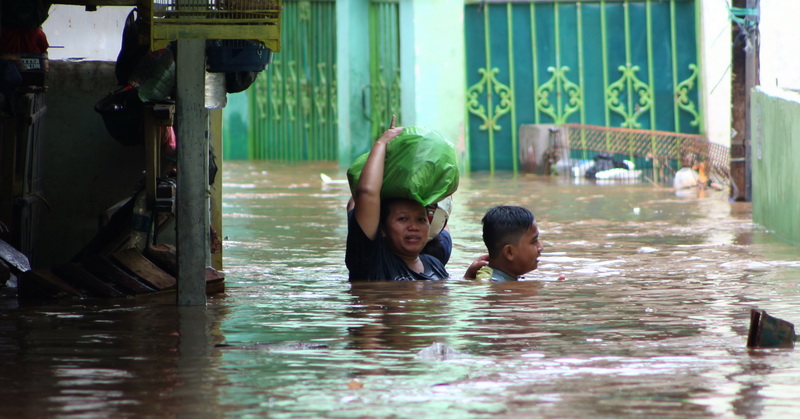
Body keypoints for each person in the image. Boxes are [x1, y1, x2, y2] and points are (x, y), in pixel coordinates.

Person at [345, 126, 451, 281]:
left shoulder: (434, 264)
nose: (413, 227)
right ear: (382, 229)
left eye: (421, 220)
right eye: (403, 219)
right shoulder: (372, 261)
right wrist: (382, 144)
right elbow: (366, 194)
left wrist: (469, 277)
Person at [467, 205, 543, 282]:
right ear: (509, 252)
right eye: (534, 241)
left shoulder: (492, 279)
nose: (540, 247)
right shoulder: (492, 284)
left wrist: (468, 277)